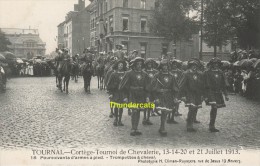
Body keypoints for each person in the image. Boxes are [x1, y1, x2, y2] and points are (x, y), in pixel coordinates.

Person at [119, 57, 150, 136]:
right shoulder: (129, 73)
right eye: (137, 64)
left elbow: (147, 87)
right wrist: (125, 97)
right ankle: (133, 128)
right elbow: (123, 86)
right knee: (134, 111)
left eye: (140, 64)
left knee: (139, 110)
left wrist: (147, 96)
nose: (139, 66)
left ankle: (136, 128)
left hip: (141, 95)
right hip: (132, 95)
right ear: (134, 65)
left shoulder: (145, 74)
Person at [152, 59, 179, 136]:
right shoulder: (157, 75)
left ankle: (161, 126)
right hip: (160, 96)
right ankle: (163, 127)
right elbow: (153, 86)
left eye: (166, 66)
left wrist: (175, 97)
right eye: (163, 66)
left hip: (169, 95)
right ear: (161, 66)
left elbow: (175, 87)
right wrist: (157, 93)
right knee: (164, 111)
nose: (165, 67)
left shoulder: (171, 76)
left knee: (166, 111)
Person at [179, 60, 205, 132]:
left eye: (196, 66)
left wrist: (203, 94)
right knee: (192, 108)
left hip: (197, 94)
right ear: (190, 66)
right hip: (189, 94)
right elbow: (181, 85)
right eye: (193, 66)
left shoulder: (200, 74)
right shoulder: (186, 73)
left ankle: (191, 122)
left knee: (195, 108)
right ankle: (189, 125)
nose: (194, 67)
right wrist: (182, 95)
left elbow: (202, 85)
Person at [204, 58, 229, 132]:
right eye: (214, 64)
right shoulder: (207, 72)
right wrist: (204, 95)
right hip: (210, 92)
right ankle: (211, 126)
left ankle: (212, 125)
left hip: (218, 93)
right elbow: (204, 85)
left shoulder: (221, 72)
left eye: (217, 64)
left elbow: (223, 84)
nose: (216, 65)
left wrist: (226, 95)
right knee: (214, 107)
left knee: (215, 109)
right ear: (211, 64)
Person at [107, 60, 127, 126]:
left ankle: (120, 120)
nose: (120, 66)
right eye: (119, 65)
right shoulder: (113, 74)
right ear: (117, 66)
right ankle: (116, 119)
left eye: (121, 65)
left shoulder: (125, 73)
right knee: (116, 106)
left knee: (121, 106)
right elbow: (109, 83)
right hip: (115, 92)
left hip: (122, 93)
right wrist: (111, 92)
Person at [142, 58, 158, 125]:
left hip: (152, 91)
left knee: (151, 104)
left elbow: (157, 80)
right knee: (146, 104)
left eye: (151, 64)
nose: (149, 65)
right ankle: (144, 118)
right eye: (148, 63)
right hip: (146, 90)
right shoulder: (144, 71)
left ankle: (148, 118)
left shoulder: (155, 71)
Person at [167, 59, 183, 124]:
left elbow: (181, 79)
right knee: (169, 103)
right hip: (170, 89)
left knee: (176, 102)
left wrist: (179, 85)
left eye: (176, 64)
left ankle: (173, 116)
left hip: (176, 89)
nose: (175, 66)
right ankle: (168, 117)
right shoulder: (169, 71)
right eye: (173, 64)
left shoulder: (180, 72)